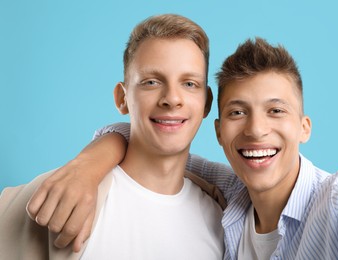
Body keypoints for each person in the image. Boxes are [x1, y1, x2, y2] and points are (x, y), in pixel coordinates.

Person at [25, 38, 338, 259]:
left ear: (304, 127)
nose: (256, 129)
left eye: (276, 111)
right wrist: (88, 165)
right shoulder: (230, 191)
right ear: (217, 130)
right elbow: (148, 142)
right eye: (237, 112)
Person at [0, 14, 226, 259]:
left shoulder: (223, 220)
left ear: (207, 103)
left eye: (190, 84)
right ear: (122, 98)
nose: (172, 98)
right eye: (151, 82)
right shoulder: (61, 193)